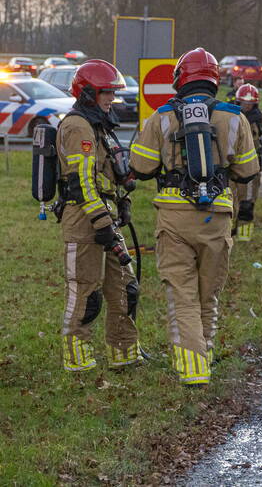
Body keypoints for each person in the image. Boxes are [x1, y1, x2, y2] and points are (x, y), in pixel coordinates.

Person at [129, 48, 259, 385]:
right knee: (207, 294)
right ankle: (206, 355)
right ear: (215, 79)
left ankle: (192, 367)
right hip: (215, 218)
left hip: (173, 219)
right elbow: (248, 171)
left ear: (180, 79)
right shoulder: (235, 117)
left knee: (182, 294)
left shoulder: (161, 117)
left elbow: (141, 168)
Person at [56, 59, 142, 371]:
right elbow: (82, 182)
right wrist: (102, 222)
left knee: (124, 286)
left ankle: (124, 352)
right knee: (86, 291)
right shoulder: (77, 125)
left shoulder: (97, 124)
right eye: (106, 92)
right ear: (89, 92)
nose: (111, 99)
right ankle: (77, 358)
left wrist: (119, 203)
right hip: (84, 221)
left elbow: (103, 176)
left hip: (105, 217)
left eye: (113, 93)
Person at [231, 83, 262, 241]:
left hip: (252, 170)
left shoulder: (261, 119)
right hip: (229, 169)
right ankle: (227, 235)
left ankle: (244, 238)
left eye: (250, 103)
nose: (247, 106)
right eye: (244, 103)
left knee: (246, 205)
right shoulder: (229, 116)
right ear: (237, 102)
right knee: (228, 204)